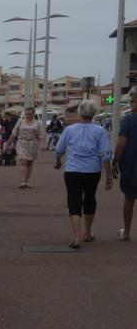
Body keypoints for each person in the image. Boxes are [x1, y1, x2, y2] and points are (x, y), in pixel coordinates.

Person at [53, 99, 114, 249]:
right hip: (92, 170)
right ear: (94, 113)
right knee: (89, 198)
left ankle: (76, 237)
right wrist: (109, 175)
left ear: (80, 112)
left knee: (73, 200)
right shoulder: (100, 130)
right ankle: (87, 232)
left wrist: (58, 161)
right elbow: (105, 154)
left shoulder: (69, 129)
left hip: (72, 169)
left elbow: (59, 149)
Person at [115, 91, 137, 240]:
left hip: (132, 164)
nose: (131, 104)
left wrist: (115, 160)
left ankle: (127, 232)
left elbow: (122, 143)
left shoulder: (128, 120)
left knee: (129, 199)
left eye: (133, 101)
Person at [7, 108, 45, 189]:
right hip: (21, 143)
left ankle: (27, 181)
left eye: (30, 114)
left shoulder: (38, 123)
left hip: (33, 144)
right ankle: (22, 181)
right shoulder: (20, 122)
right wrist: (8, 144)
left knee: (29, 163)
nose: (28, 116)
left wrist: (42, 144)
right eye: (27, 114)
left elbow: (41, 135)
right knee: (23, 161)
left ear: (33, 114)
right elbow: (13, 133)